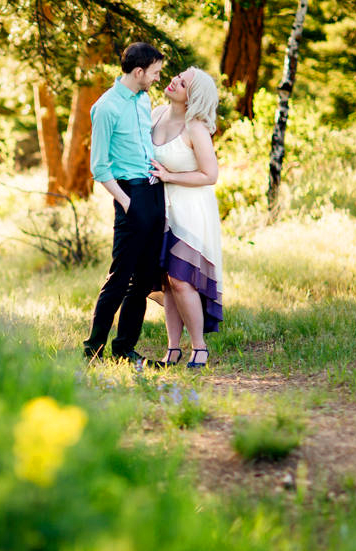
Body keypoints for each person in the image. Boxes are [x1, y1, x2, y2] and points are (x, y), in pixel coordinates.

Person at [83, 43, 165, 366]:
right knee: (120, 278)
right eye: (155, 73)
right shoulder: (105, 108)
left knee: (144, 280)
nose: (158, 79)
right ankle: (93, 350)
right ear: (139, 72)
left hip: (153, 192)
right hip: (129, 196)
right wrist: (128, 204)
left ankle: (124, 349)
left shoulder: (144, 100)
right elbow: (100, 168)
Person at [149, 67, 223, 368]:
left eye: (181, 83)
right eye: (177, 76)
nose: (173, 81)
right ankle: (173, 348)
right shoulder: (155, 114)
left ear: (192, 95)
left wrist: (170, 175)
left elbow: (210, 175)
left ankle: (199, 347)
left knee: (181, 280)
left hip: (190, 211)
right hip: (160, 209)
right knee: (167, 282)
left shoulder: (196, 128)